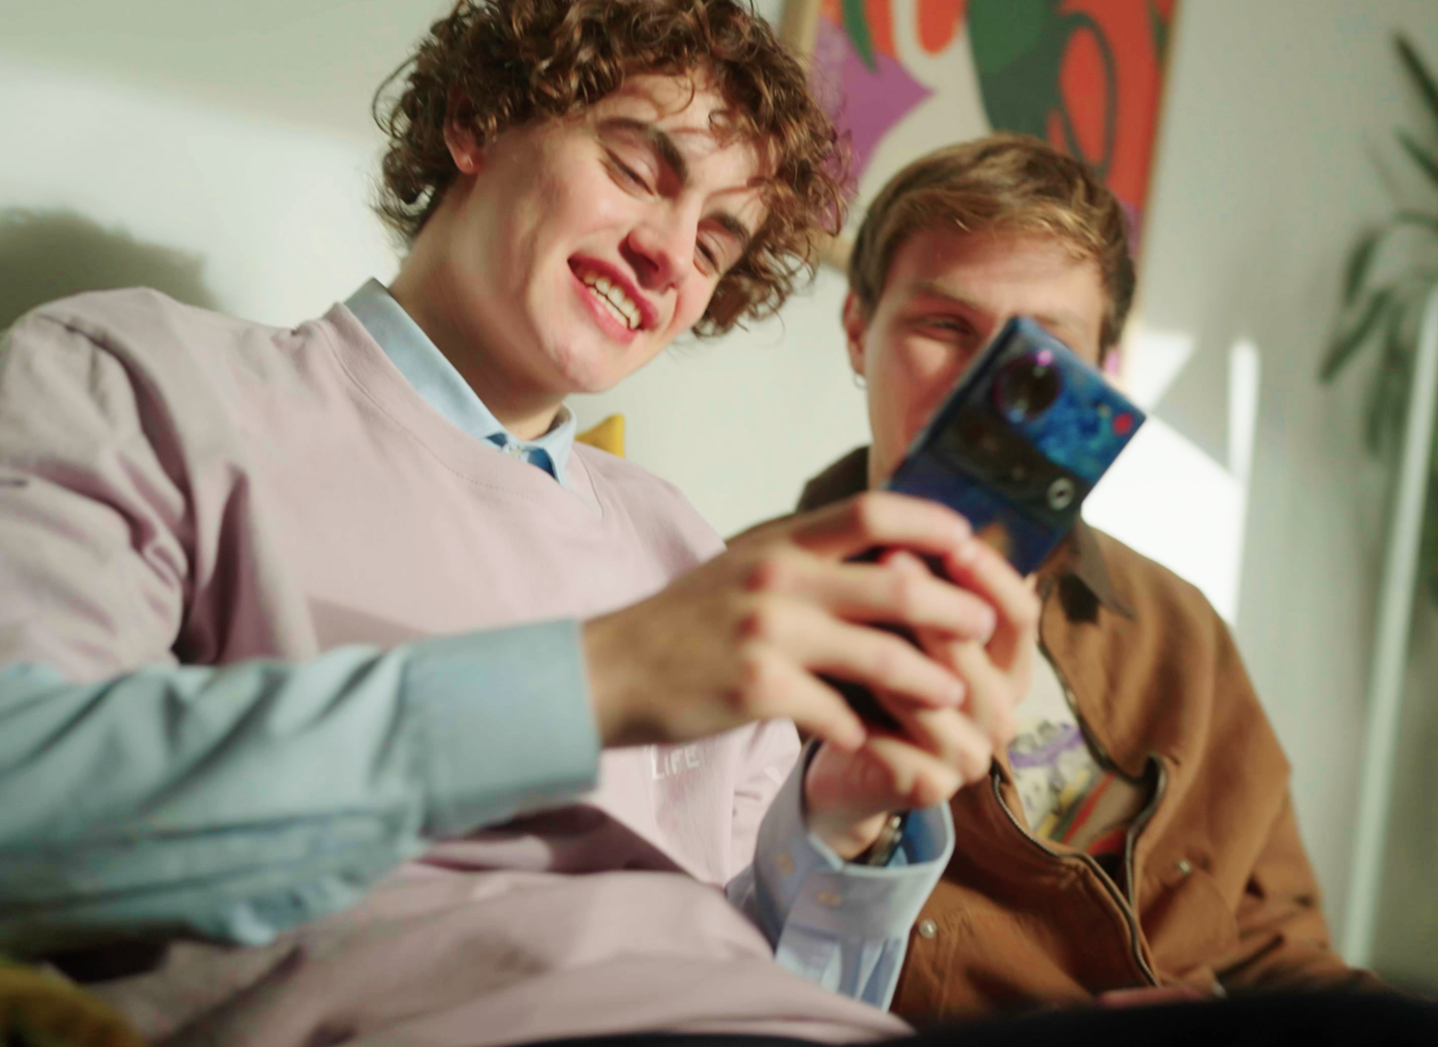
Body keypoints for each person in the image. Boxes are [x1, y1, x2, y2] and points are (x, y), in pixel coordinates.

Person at [0, 1, 1033, 1041]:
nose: (670, 253)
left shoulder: (681, 543)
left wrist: (841, 824)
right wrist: (598, 681)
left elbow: (765, 975)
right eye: (637, 168)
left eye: (717, 241)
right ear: (476, 120)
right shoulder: (143, 376)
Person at [775, 134, 1438, 1045]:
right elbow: (744, 954)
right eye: (944, 326)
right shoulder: (753, 605)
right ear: (858, 330)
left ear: (1100, 372)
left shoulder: (1175, 625)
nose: (992, 386)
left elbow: (1279, 945)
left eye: (1045, 347)